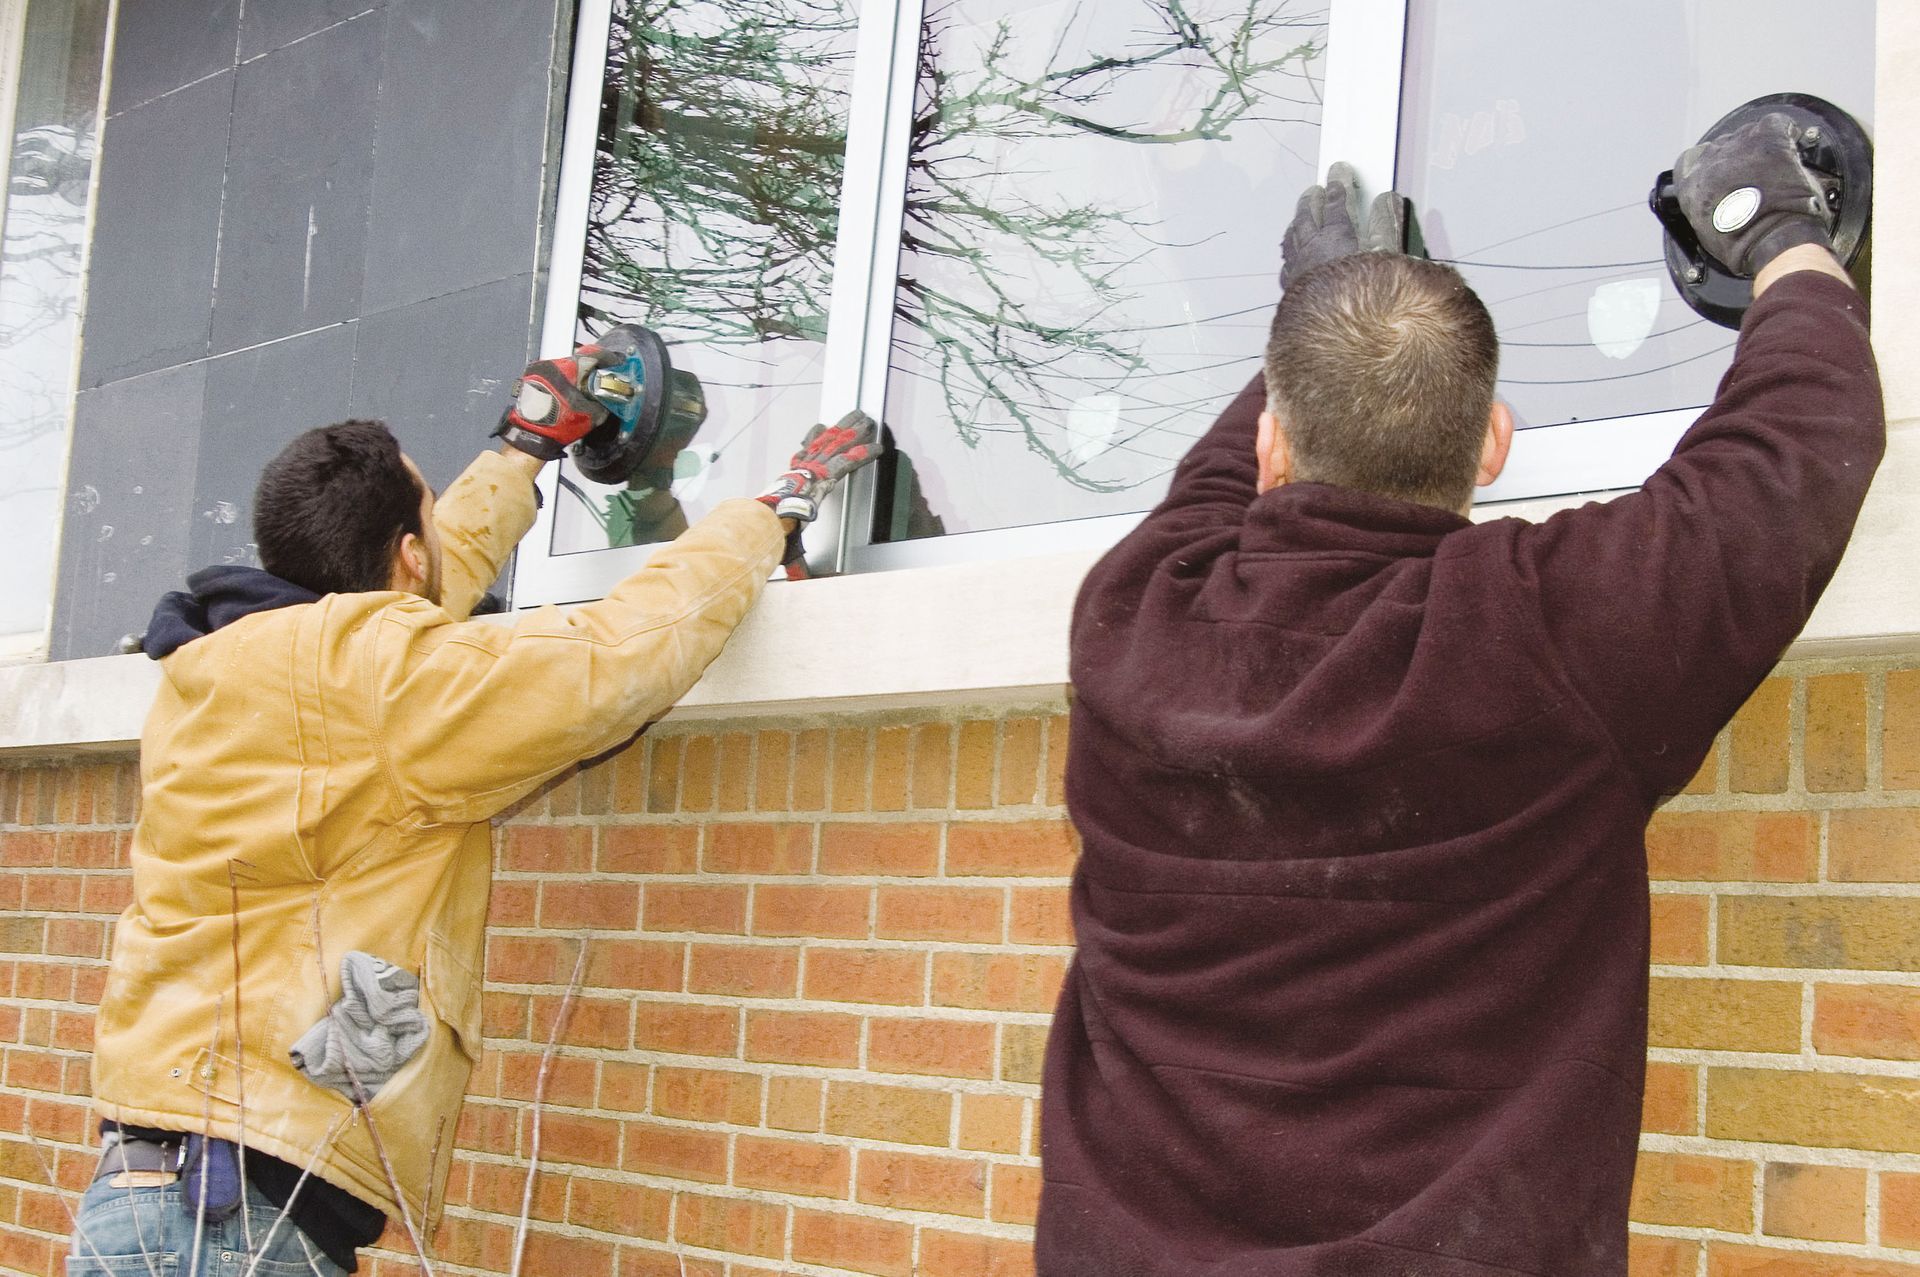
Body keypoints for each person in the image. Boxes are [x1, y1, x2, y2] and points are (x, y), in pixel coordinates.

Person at [1037, 119, 1882, 1275]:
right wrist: (1779, 235)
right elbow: (1796, 440)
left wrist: (1325, 303)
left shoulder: (1132, 619)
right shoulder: (1550, 635)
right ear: (1493, 444)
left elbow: (1214, 483)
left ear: (1275, 448)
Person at [67, 346, 878, 1274]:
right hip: (233, 1224)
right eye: (426, 521)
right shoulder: (375, 686)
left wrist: (521, 451)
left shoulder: (222, 666)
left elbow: (395, 611)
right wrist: (768, 513)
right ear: (409, 556)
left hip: (150, 1190)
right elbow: (607, 658)